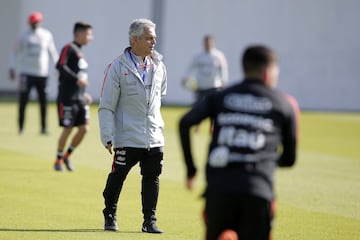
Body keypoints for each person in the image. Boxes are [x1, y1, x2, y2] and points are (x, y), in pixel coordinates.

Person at [179, 45, 300, 240]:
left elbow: (185, 123)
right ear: (268, 73)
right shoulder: (285, 104)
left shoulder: (219, 97)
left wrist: (191, 169)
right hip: (257, 191)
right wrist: (262, 158)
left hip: (219, 190)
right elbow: (289, 159)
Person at [98, 19, 167, 234]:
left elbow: (160, 95)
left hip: (154, 136)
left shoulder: (160, 66)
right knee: (118, 176)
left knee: (152, 178)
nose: (153, 41)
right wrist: (107, 135)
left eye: (154, 37)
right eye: (148, 37)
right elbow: (106, 105)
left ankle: (150, 221)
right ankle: (109, 213)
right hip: (127, 136)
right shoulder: (117, 67)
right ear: (134, 39)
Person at [9, 11, 59, 135]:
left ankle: (43, 128)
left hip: (42, 74)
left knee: (43, 102)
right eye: (32, 23)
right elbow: (14, 52)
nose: (34, 25)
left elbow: (53, 52)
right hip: (26, 74)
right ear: (29, 23)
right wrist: (12, 68)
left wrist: (58, 68)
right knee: (23, 101)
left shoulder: (46, 35)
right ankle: (21, 128)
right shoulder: (23, 36)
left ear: (40, 22)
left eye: (36, 22)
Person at [54, 22, 93, 172]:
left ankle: (67, 156)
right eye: (89, 34)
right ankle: (58, 159)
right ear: (79, 34)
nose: (91, 37)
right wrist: (77, 79)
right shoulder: (68, 48)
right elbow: (60, 65)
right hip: (67, 97)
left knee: (84, 129)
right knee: (68, 128)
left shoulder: (80, 51)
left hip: (80, 98)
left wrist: (84, 94)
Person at [183, 35, 228, 104]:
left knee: (214, 108)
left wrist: (224, 81)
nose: (208, 44)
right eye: (206, 42)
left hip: (214, 87)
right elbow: (190, 68)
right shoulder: (198, 56)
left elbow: (223, 69)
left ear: (213, 43)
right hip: (201, 87)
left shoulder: (218, 55)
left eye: (209, 42)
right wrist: (186, 78)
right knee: (199, 107)